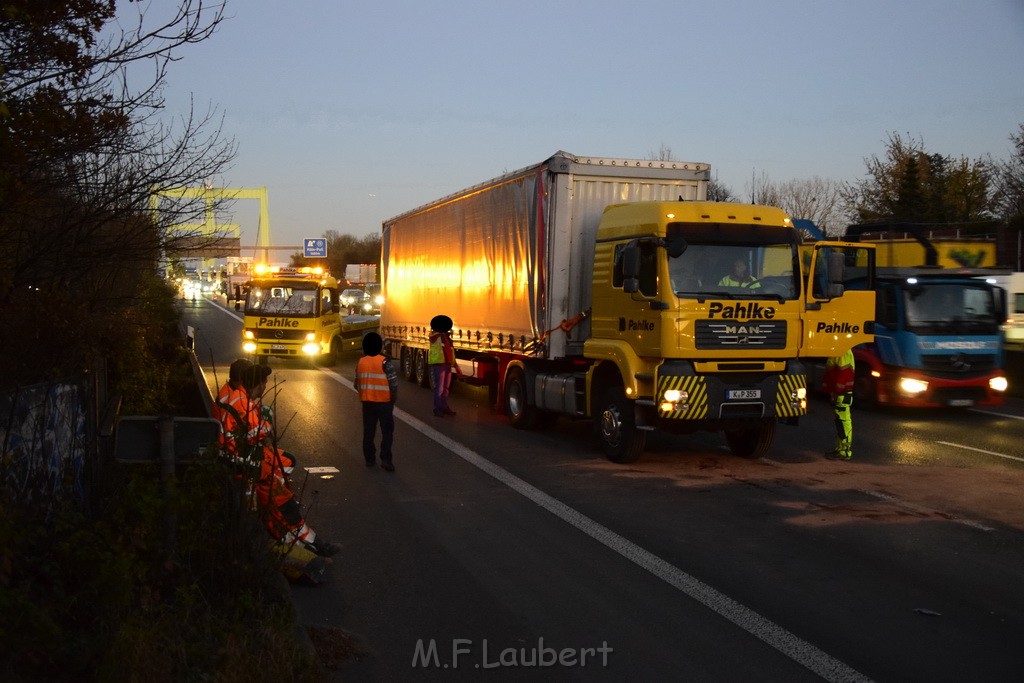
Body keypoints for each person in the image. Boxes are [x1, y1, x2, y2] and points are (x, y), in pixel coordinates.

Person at [355, 332, 399, 472]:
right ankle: (386, 459)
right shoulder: (385, 361)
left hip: (367, 402)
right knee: (387, 431)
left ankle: (369, 459)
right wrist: (393, 398)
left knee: (369, 432)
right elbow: (393, 382)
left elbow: (356, 383)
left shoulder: (361, 361)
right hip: (384, 402)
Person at [823, 349, 855, 460]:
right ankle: (840, 449)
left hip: (842, 393)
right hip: (841, 393)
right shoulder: (841, 350)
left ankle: (844, 451)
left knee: (843, 423)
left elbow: (844, 372)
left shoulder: (844, 350)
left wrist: (837, 390)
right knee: (840, 422)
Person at [428, 314, 462, 417]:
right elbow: (433, 339)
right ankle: (438, 408)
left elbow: (450, 352)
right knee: (440, 387)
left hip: (447, 364)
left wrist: (455, 365)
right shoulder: (434, 336)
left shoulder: (446, 337)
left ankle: (443, 406)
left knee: (446, 387)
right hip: (439, 364)